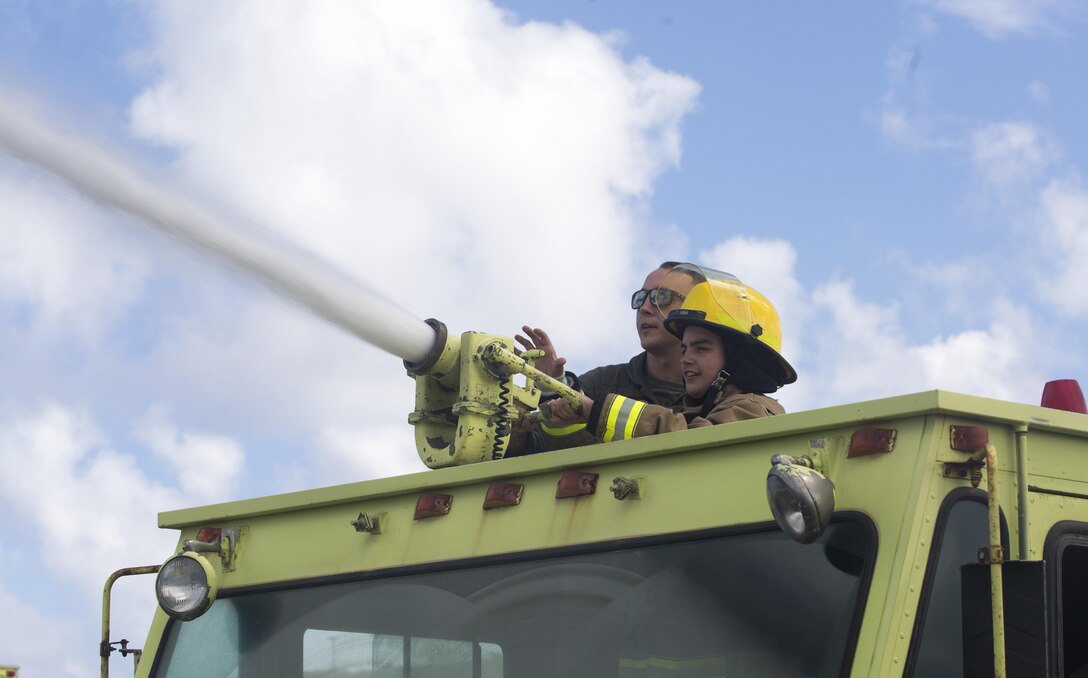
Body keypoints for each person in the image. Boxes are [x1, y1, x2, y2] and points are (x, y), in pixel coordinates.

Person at [544, 266, 796, 442]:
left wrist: (597, 409)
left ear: (739, 358)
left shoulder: (753, 410)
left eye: (701, 348)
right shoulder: (698, 410)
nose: (686, 358)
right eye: (684, 348)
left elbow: (689, 442)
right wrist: (554, 396)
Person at [508, 262, 693, 455]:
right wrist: (552, 387)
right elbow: (543, 448)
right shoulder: (601, 384)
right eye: (640, 298)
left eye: (661, 297)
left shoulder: (721, 392)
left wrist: (594, 411)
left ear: (695, 308)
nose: (644, 308)